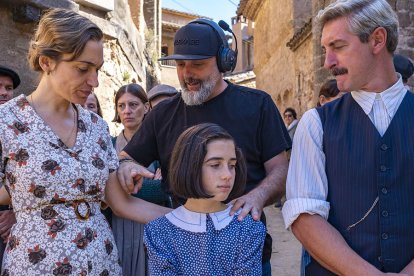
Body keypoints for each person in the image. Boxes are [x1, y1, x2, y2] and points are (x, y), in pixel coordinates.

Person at [0, 8, 169, 275]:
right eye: (83, 69)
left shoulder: (97, 127)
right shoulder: (5, 122)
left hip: (101, 263)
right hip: (35, 267)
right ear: (46, 62)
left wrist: (191, 219)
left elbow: (121, 204)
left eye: (98, 69)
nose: (95, 81)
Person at [117, 18, 290, 275]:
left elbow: (281, 170)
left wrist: (258, 196)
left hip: (245, 250)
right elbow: (126, 158)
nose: (187, 74)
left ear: (223, 62)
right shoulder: (163, 114)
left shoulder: (258, 105)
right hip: (180, 252)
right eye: (180, 65)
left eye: (197, 64)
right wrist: (126, 166)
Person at [282, 0, 414, 275]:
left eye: (338, 47)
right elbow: (305, 216)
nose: (328, 62)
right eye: (324, 50)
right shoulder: (316, 123)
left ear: (377, 39)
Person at [144, 123, 266, 275]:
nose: (227, 174)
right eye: (215, 165)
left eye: (232, 165)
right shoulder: (158, 232)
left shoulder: (248, 229)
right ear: (188, 166)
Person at [111, 83, 165, 276]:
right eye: (121, 106)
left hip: (153, 225)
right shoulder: (108, 145)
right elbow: (103, 191)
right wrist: (152, 185)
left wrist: (118, 187)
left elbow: (166, 190)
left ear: (146, 107)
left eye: (133, 105)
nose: (127, 111)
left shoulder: (161, 147)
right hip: (116, 226)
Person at [0, 65, 20, 267]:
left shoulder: (22, 133)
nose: (4, 92)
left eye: (8, 87)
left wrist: (15, 211)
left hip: (9, 227)